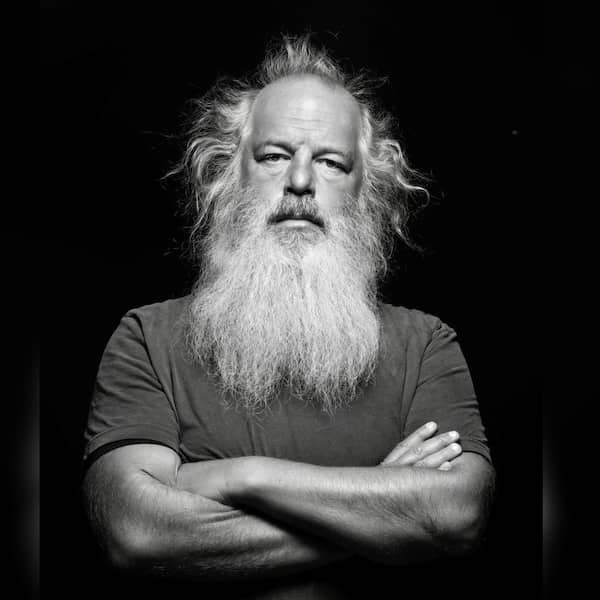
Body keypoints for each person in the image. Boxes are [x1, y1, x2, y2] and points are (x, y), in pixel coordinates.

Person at [82, 35, 495, 597]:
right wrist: (387, 511)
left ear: (366, 191)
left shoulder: (426, 344)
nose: (300, 182)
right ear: (229, 174)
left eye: (331, 162)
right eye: (274, 156)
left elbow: (457, 515)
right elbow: (138, 532)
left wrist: (240, 476)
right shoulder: (146, 338)